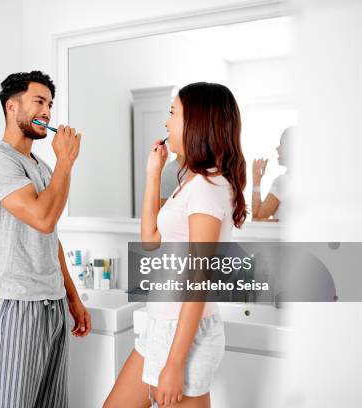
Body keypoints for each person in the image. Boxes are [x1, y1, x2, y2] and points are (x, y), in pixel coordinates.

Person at [104, 82, 247, 408]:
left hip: (185, 338)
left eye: (172, 113)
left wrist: (174, 364)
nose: (166, 123)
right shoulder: (192, 182)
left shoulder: (208, 188)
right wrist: (153, 174)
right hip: (160, 327)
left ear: (196, 123)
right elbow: (151, 242)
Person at [0, 71, 91, 408]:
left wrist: (72, 297)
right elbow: (43, 218)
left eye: (50, 105)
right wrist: (66, 162)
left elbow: (50, 237)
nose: (48, 112)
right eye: (39, 101)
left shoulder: (39, 165)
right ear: (12, 106)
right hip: (18, 304)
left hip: (50, 302)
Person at [251, 126, 294, 221]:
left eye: (282, 144)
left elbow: (256, 219)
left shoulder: (283, 181)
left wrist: (256, 180)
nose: (277, 148)